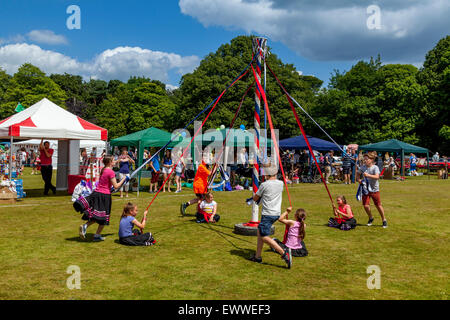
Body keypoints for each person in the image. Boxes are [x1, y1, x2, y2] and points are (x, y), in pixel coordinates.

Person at [248, 164, 292, 269]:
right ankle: (257, 256)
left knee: (264, 236)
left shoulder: (264, 185)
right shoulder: (281, 183)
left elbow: (255, 198)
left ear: (266, 174)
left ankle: (283, 252)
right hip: (276, 213)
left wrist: (251, 198)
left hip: (267, 214)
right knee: (260, 232)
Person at [78, 155, 127, 241]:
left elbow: (108, 183)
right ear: (109, 162)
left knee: (97, 215)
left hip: (97, 193)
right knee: (104, 216)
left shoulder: (104, 169)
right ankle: (90, 230)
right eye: (113, 160)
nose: (114, 161)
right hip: (104, 196)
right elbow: (116, 186)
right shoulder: (111, 172)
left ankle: (91, 231)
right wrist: (124, 179)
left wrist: (118, 160)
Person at [358, 152, 387, 228]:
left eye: (367, 159)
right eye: (364, 159)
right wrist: (359, 180)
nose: (365, 161)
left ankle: (384, 220)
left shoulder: (375, 167)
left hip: (374, 189)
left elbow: (377, 177)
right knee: (365, 206)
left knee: (378, 205)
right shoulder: (362, 167)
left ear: (371, 159)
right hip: (366, 189)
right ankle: (371, 218)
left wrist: (368, 175)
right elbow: (357, 174)